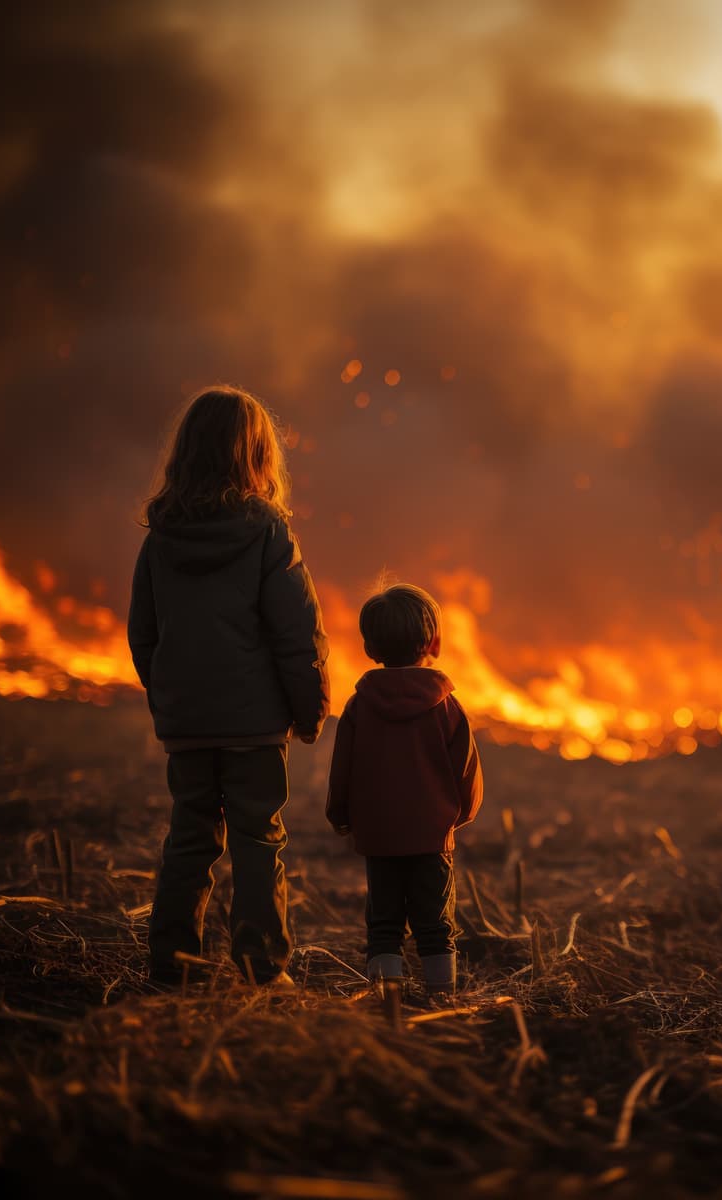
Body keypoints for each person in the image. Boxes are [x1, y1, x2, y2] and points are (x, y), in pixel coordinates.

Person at [128, 386, 329, 988]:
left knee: (189, 840)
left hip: (188, 728)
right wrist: (310, 711)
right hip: (255, 727)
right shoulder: (268, 534)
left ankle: (173, 967)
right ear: (258, 456)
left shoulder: (160, 537)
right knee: (258, 842)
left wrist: (170, 699)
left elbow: (144, 635)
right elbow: (298, 634)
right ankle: (261, 970)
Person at [325, 582, 483, 999]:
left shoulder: (358, 707)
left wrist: (341, 816)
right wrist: (457, 817)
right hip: (432, 838)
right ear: (434, 642)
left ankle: (386, 999)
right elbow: (467, 773)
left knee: (383, 924)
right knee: (436, 924)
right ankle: (441, 997)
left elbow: (342, 769)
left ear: (369, 647)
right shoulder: (447, 708)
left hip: (379, 838)